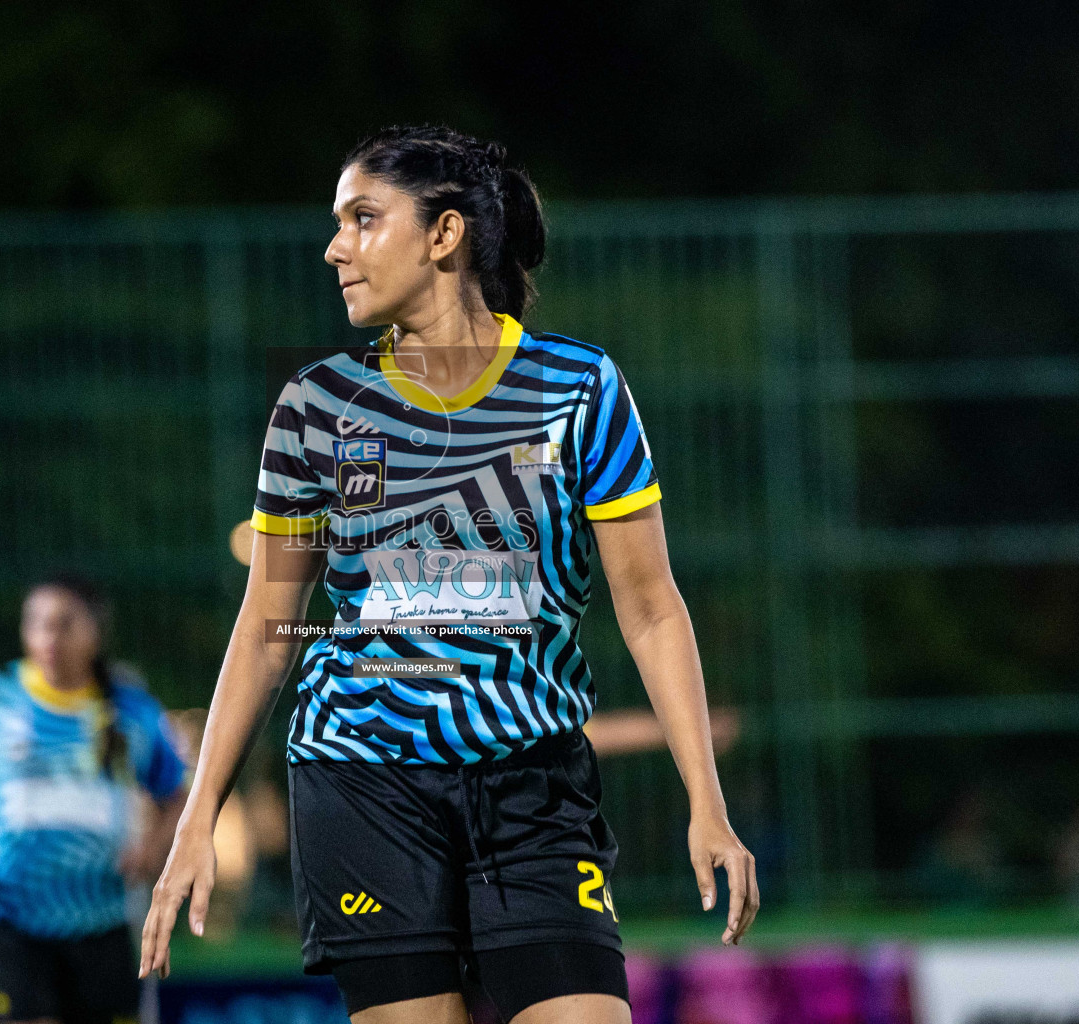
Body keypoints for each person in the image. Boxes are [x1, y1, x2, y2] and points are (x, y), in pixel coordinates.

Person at [142, 125, 760, 1024]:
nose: (334, 248)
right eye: (336, 223)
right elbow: (267, 630)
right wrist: (199, 818)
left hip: (532, 787)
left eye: (362, 219)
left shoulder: (578, 387)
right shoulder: (315, 407)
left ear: (445, 235)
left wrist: (708, 801)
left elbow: (653, 609)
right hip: (363, 781)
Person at [0, 573, 189, 1024]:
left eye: (64, 623)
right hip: (8, 913)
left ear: (96, 631)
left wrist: (155, 849)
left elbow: (176, 795)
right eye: (37, 622)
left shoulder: (132, 711)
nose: (48, 636)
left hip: (101, 915)